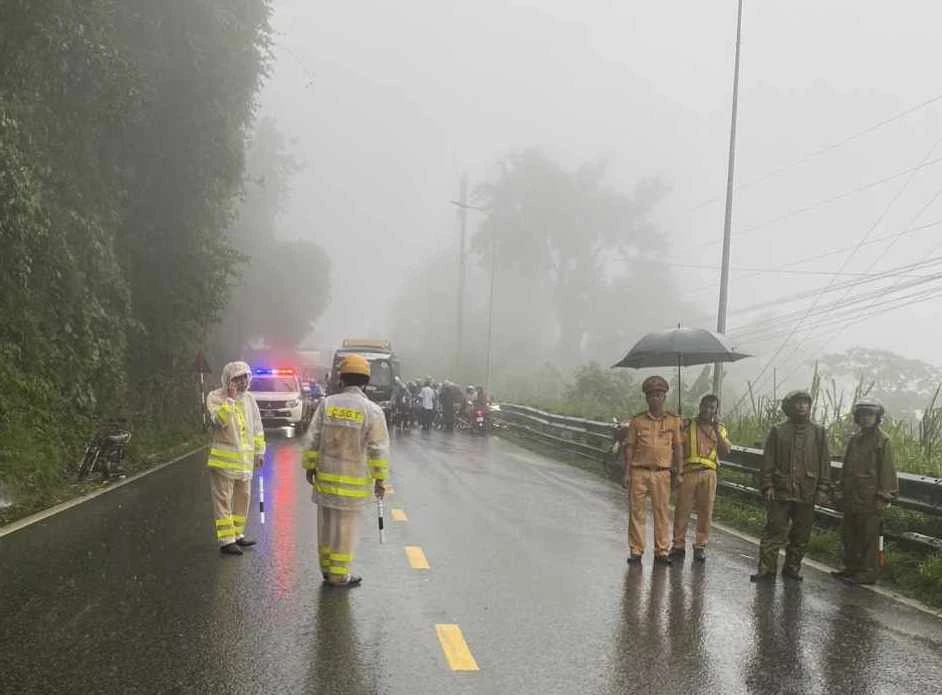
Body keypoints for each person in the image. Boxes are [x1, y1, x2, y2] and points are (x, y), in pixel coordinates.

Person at [301, 354, 390, 587]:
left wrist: (310, 467)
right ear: (365, 382)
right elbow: (378, 449)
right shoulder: (372, 411)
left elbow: (312, 439)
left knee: (326, 527)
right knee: (345, 531)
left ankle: (328, 570)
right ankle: (340, 576)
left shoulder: (327, 405)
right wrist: (380, 479)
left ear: (341, 379)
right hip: (353, 484)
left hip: (325, 480)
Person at [751, 390, 831, 583]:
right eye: (798, 403)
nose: (802, 406)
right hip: (781, 490)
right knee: (773, 530)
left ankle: (792, 568)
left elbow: (824, 463)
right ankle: (766, 569)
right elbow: (768, 460)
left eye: (805, 402)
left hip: (807, 491)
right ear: (790, 406)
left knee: (801, 533)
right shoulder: (778, 430)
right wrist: (767, 484)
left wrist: (822, 488)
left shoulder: (818, 432)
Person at [831, 399, 898, 585]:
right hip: (852, 495)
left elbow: (887, 470)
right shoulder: (855, 439)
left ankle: (867, 573)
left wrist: (884, 497)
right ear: (857, 418)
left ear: (877, 417)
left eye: (870, 415)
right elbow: (846, 467)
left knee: (869, 538)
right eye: (863, 415)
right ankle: (850, 567)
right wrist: (840, 488)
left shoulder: (883, 441)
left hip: (870, 497)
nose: (866, 418)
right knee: (849, 534)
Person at [205, 361, 265, 555]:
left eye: (245, 377)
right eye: (238, 378)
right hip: (223, 463)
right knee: (223, 500)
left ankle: (238, 534)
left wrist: (259, 451)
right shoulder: (215, 397)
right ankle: (226, 540)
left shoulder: (249, 400)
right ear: (228, 380)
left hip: (245, 462)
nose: (243, 382)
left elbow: (257, 428)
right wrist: (229, 400)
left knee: (243, 498)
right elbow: (219, 421)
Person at [621, 375, 683, 565]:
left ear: (665, 397)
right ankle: (636, 550)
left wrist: (679, 472)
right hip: (639, 470)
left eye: (659, 395)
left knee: (661, 512)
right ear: (647, 398)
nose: (656, 398)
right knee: (637, 512)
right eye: (652, 395)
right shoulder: (637, 421)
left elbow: (678, 447)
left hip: (662, 472)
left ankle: (661, 551)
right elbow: (630, 447)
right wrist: (627, 472)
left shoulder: (673, 421)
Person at [670, 394, 731, 562]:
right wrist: (677, 422)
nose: (708, 410)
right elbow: (676, 444)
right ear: (700, 406)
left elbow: (725, 451)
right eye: (705, 406)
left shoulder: (721, 429)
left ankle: (700, 546)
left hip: (709, 473)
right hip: (689, 472)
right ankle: (678, 544)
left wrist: (717, 430)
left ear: (716, 410)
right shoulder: (688, 425)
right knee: (682, 509)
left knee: (706, 511)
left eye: (712, 407)